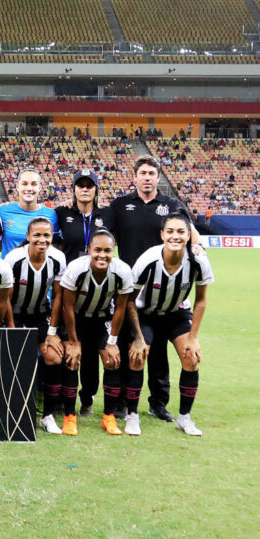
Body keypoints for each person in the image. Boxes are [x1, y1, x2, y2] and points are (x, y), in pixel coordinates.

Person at [108, 155, 199, 423]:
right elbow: (107, 239)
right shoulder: (120, 205)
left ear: (158, 177)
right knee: (132, 347)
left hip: (165, 290)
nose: (147, 177)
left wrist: (198, 246)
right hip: (131, 291)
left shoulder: (171, 205)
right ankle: (124, 402)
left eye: (152, 173)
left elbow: (189, 229)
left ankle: (158, 403)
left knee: (159, 352)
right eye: (143, 173)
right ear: (134, 177)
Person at [128, 211, 214, 436]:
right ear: (162, 234)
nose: (175, 236)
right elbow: (128, 300)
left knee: (191, 358)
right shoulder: (149, 259)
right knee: (138, 355)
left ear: (188, 236)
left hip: (176, 314)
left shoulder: (198, 260)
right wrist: (138, 338)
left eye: (180, 232)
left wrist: (193, 338)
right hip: (145, 314)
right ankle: (132, 415)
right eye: (170, 231)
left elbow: (201, 301)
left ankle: (184, 418)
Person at [59, 229, 136, 436]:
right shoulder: (76, 268)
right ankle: (69, 416)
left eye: (108, 250)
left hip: (102, 319)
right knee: (71, 359)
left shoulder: (122, 271)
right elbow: (67, 307)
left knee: (112, 360)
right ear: (89, 250)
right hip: (75, 319)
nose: (102, 255)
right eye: (98, 250)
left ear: (114, 251)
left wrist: (112, 342)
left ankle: (109, 417)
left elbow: (120, 308)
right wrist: (73, 341)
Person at [4, 217, 67, 434]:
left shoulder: (58, 259)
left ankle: (47, 415)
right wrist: (12, 329)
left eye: (46, 235)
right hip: (14, 314)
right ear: (28, 236)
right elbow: (5, 300)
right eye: (37, 235)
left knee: (54, 357)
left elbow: (58, 297)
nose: (42, 239)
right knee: (18, 359)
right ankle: (14, 409)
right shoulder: (14, 259)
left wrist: (52, 332)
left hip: (40, 315)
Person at [0, 167, 59, 255]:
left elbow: (55, 245)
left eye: (33, 184)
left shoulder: (51, 215)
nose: (29, 188)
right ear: (17, 187)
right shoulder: (1, 212)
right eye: (24, 184)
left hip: (37, 268)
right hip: (9, 268)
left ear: (39, 188)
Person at [54, 169, 114, 264]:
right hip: (69, 272)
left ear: (96, 189)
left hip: (99, 272)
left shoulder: (108, 213)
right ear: (74, 189)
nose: (85, 189)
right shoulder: (62, 212)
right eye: (80, 186)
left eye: (89, 186)